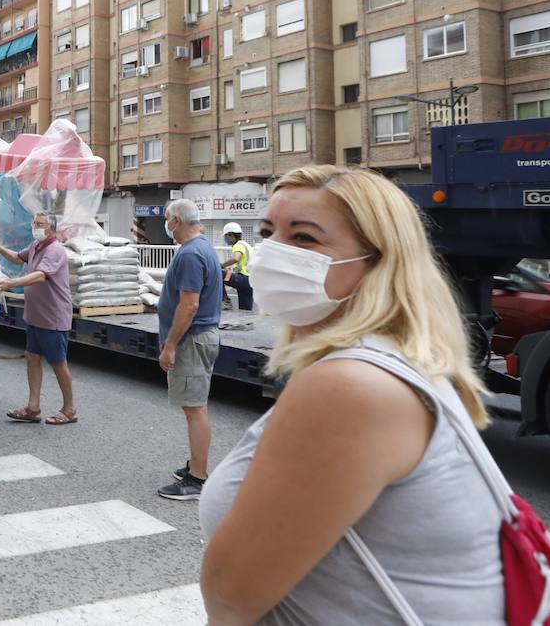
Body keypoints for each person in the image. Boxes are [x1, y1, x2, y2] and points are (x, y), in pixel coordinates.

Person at [199, 165, 502, 624]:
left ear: (377, 263)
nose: (272, 252)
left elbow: (232, 596)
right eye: (268, 232)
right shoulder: (391, 365)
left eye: (303, 238)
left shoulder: (349, 386)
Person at [156, 198, 223, 500]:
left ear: (177, 221)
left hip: (192, 339)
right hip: (199, 337)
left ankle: (197, 479)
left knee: (195, 409)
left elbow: (189, 304)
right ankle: (195, 466)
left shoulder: (191, 254)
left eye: (167, 218)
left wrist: (170, 345)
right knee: (195, 406)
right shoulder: (201, 248)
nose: (166, 223)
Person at [0, 213, 76, 424]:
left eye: (40, 224)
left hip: (53, 317)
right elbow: (17, 258)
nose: (35, 227)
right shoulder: (35, 246)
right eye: (35, 223)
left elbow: (40, 275)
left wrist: (11, 283)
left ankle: (69, 410)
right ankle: (33, 407)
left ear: (52, 229)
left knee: (58, 363)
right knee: (32, 357)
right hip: (36, 316)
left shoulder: (55, 250)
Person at [220, 221, 254, 311]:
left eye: (226, 236)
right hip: (250, 281)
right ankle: (247, 324)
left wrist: (222, 265)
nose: (225, 239)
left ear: (231, 235)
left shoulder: (238, 245)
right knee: (245, 311)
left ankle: (225, 300)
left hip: (243, 279)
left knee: (218, 273)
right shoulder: (246, 245)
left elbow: (236, 258)